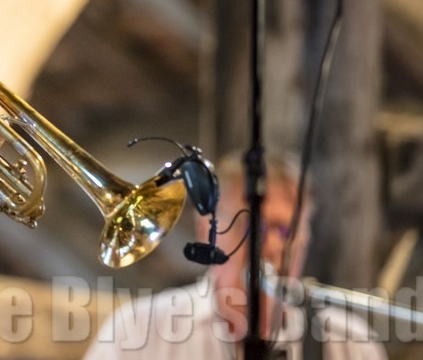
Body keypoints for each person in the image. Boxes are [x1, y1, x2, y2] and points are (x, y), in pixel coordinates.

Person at [81, 153, 388, 360]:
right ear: (207, 231)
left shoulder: (348, 343)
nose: (266, 247)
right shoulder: (138, 331)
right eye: (249, 226)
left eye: (285, 230)